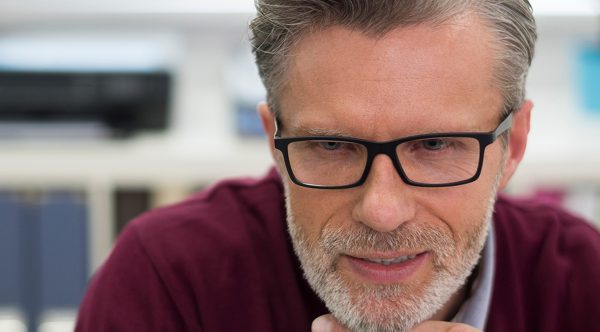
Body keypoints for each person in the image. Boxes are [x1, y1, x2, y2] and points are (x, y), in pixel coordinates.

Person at [75, 1, 600, 331]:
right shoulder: (169, 279)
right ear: (275, 143)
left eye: (437, 145)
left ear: (513, 146)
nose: (382, 211)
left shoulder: (584, 285)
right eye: (330, 146)